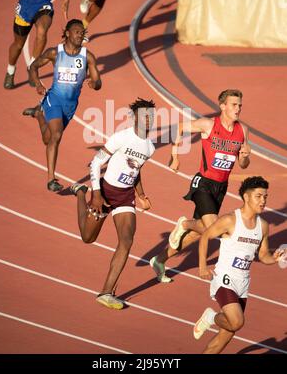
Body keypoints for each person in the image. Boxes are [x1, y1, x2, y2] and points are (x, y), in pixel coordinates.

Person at [150, 89, 251, 283]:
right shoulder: (209, 124)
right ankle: (184, 223)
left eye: (240, 105)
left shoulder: (243, 131)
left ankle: (160, 260)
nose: (238, 108)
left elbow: (243, 164)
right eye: (234, 104)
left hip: (221, 187)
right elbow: (179, 127)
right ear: (222, 106)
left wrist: (245, 157)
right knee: (213, 227)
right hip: (203, 183)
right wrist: (175, 156)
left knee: (197, 234)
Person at [70, 98, 155, 309]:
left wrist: (142, 194)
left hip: (125, 197)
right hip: (105, 192)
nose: (149, 118)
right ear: (135, 117)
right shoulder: (121, 137)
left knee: (126, 241)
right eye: (145, 115)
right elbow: (96, 162)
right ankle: (81, 193)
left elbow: (136, 170)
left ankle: (106, 292)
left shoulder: (150, 147)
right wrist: (96, 195)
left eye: (151, 115)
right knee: (87, 237)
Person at [193, 176, 286, 354]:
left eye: (265, 197)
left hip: (243, 283)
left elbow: (263, 255)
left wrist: (273, 259)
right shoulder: (230, 220)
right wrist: (202, 267)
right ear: (246, 197)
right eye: (259, 196)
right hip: (224, 278)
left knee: (223, 338)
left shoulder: (263, 226)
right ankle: (211, 317)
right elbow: (205, 237)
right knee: (236, 321)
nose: (263, 200)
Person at [22, 19, 101, 192]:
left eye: (82, 32)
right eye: (77, 31)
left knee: (48, 139)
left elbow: (98, 83)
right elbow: (33, 67)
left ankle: (38, 114)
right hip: (54, 99)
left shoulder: (87, 57)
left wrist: (93, 84)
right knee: (56, 136)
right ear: (67, 33)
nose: (80, 35)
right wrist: (37, 84)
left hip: (70, 106)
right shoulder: (55, 53)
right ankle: (51, 179)